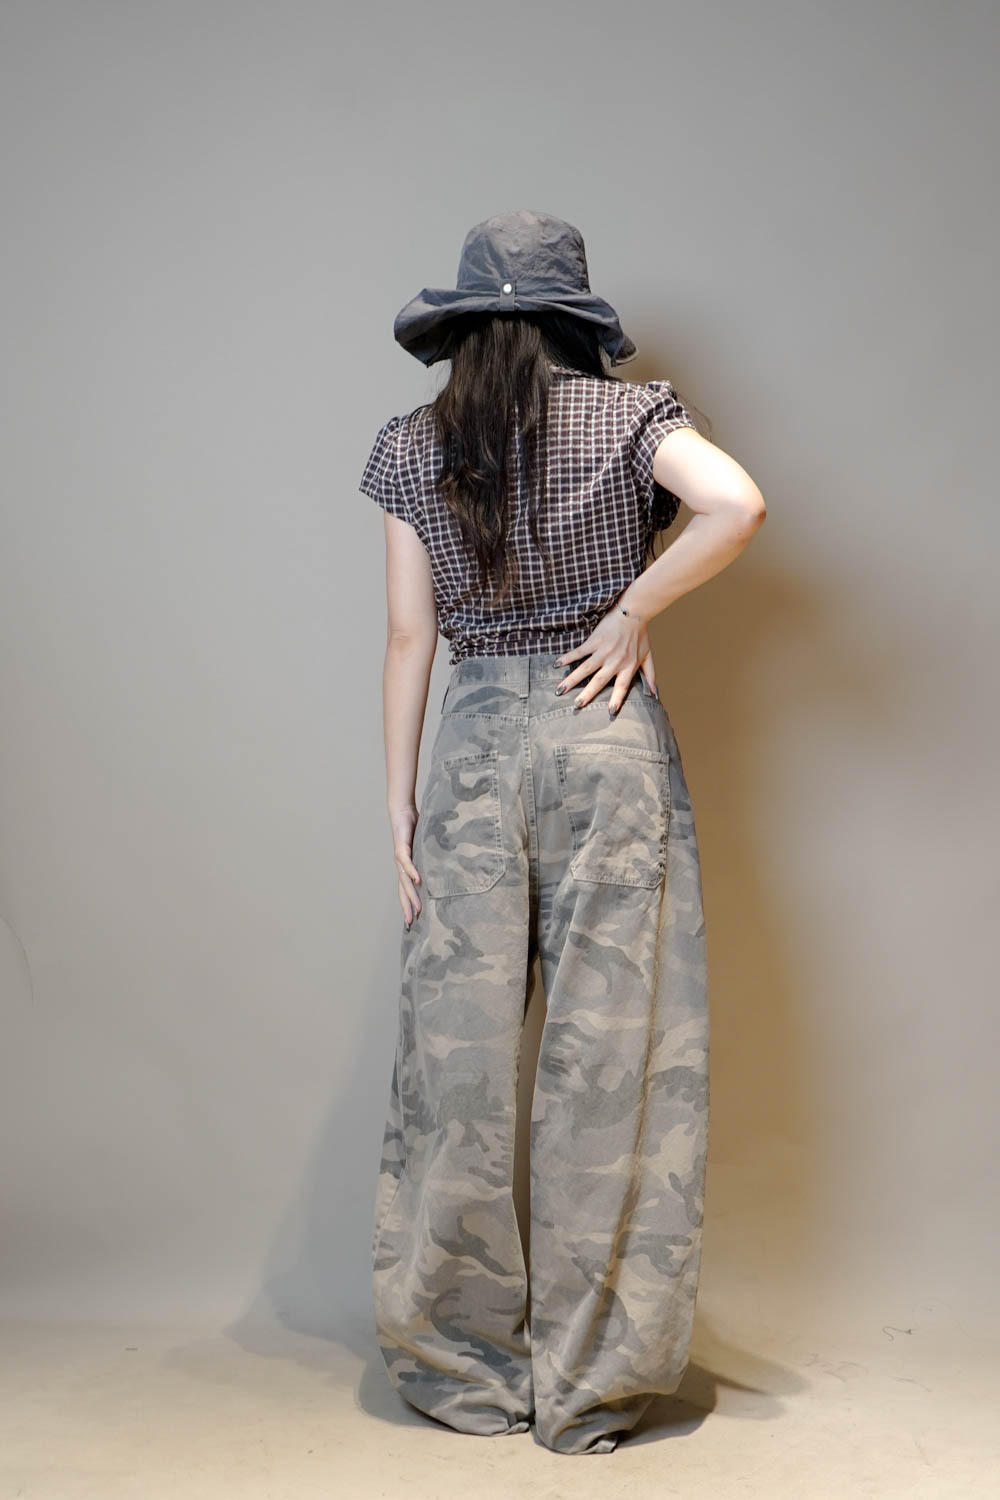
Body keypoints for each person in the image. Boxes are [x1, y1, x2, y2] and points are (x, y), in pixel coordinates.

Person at [360, 209, 765, 1455]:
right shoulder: (630, 419)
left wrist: (397, 797)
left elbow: (409, 637)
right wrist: (633, 611)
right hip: (607, 739)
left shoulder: (410, 443)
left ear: (463, 323)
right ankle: (592, 1383)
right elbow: (736, 506)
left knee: (459, 1071)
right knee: (613, 1061)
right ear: (573, 320)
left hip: (474, 752)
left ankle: (460, 1370)